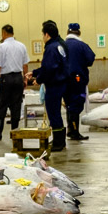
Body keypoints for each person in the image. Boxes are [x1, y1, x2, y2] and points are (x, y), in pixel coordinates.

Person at [26, 20, 71, 152]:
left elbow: (49, 68)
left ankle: (58, 142)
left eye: (42, 34)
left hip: (54, 85)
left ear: (46, 35)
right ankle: (60, 141)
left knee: (53, 113)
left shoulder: (51, 48)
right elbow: (50, 66)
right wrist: (34, 73)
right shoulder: (59, 46)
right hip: (61, 83)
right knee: (56, 113)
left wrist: (39, 79)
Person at [0, 23, 29, 140]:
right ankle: (15, 133)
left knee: (2, 105)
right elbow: (25, 65)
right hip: (18, 78)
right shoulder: (22, 46)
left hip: (5, 79)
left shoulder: (2, 47)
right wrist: (25, 78)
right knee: (16, 106)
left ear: (3, 33)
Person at [64, 22, 96, 141]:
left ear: (68, 32)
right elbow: (90, 59)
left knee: (68, 104)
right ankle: (75, 131)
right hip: (78, 80)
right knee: (76, 105)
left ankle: (70, 130)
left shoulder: (62, 45)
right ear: (79, 33)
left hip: (64, 80)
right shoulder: (82, 45)